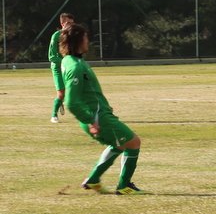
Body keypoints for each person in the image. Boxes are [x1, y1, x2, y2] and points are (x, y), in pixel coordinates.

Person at [59, 23, 144, 195]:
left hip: (98, 114)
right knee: (133, 143)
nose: (87, 41)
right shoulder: (75, 67)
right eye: (85, 37)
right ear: (78, 40)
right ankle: (124, 186)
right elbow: (72, 102)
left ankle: (93, 180)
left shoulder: (70, 61)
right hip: (97, 117)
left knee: (119, 145)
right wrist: (91, 120)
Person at [48, 13, 75, 123]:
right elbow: (52, 56)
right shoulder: (56, 36)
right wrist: (65, 62)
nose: (70, 26)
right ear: (62, 23)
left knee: (73, 91)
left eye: (72, 23)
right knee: (61, 93)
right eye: (68, 23)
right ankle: (53, 115)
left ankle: (60, 102)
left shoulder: (73, 37)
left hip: (69, 68)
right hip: (58, 68)